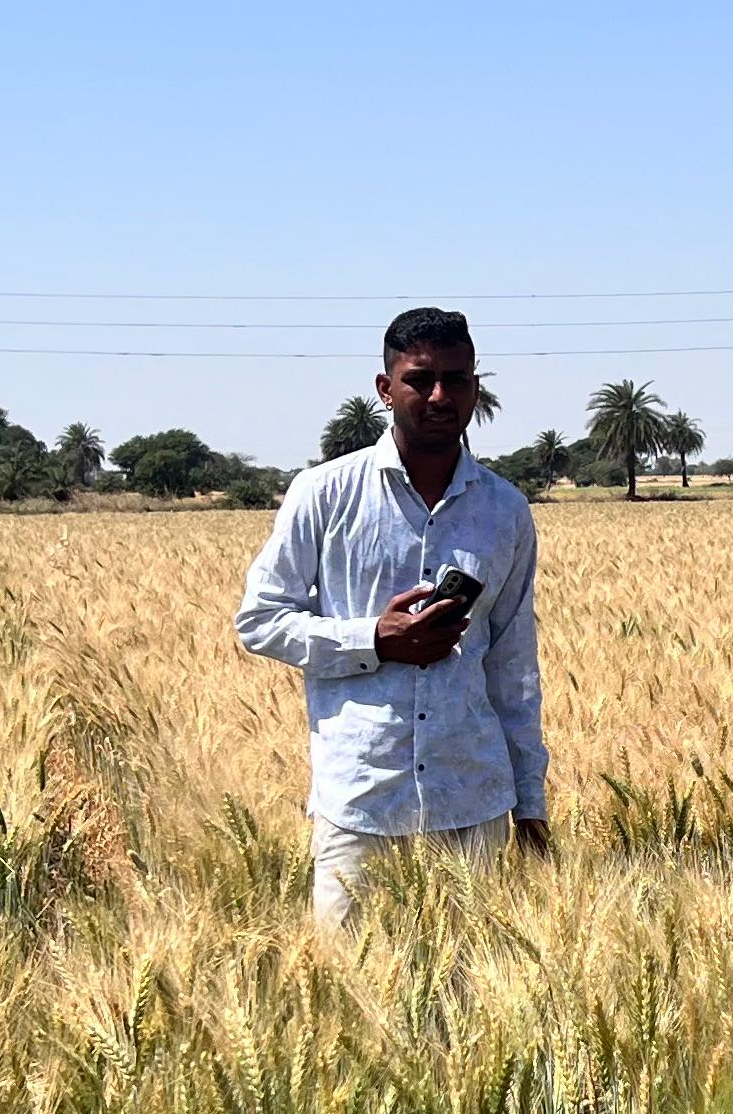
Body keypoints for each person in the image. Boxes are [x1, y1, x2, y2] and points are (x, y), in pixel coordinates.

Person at [234, 307, 549, 927]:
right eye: (420, 379)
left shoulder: (505, 509)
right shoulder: (324, 493)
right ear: (385, 388)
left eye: (456, 380)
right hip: (362, 803)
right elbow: (260, 619)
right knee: (351, 980)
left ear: (475, 388)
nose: (439, 396)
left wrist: (531, 803)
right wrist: (373, 639)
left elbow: (514, 666)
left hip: (474, 803)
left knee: (476, 983)